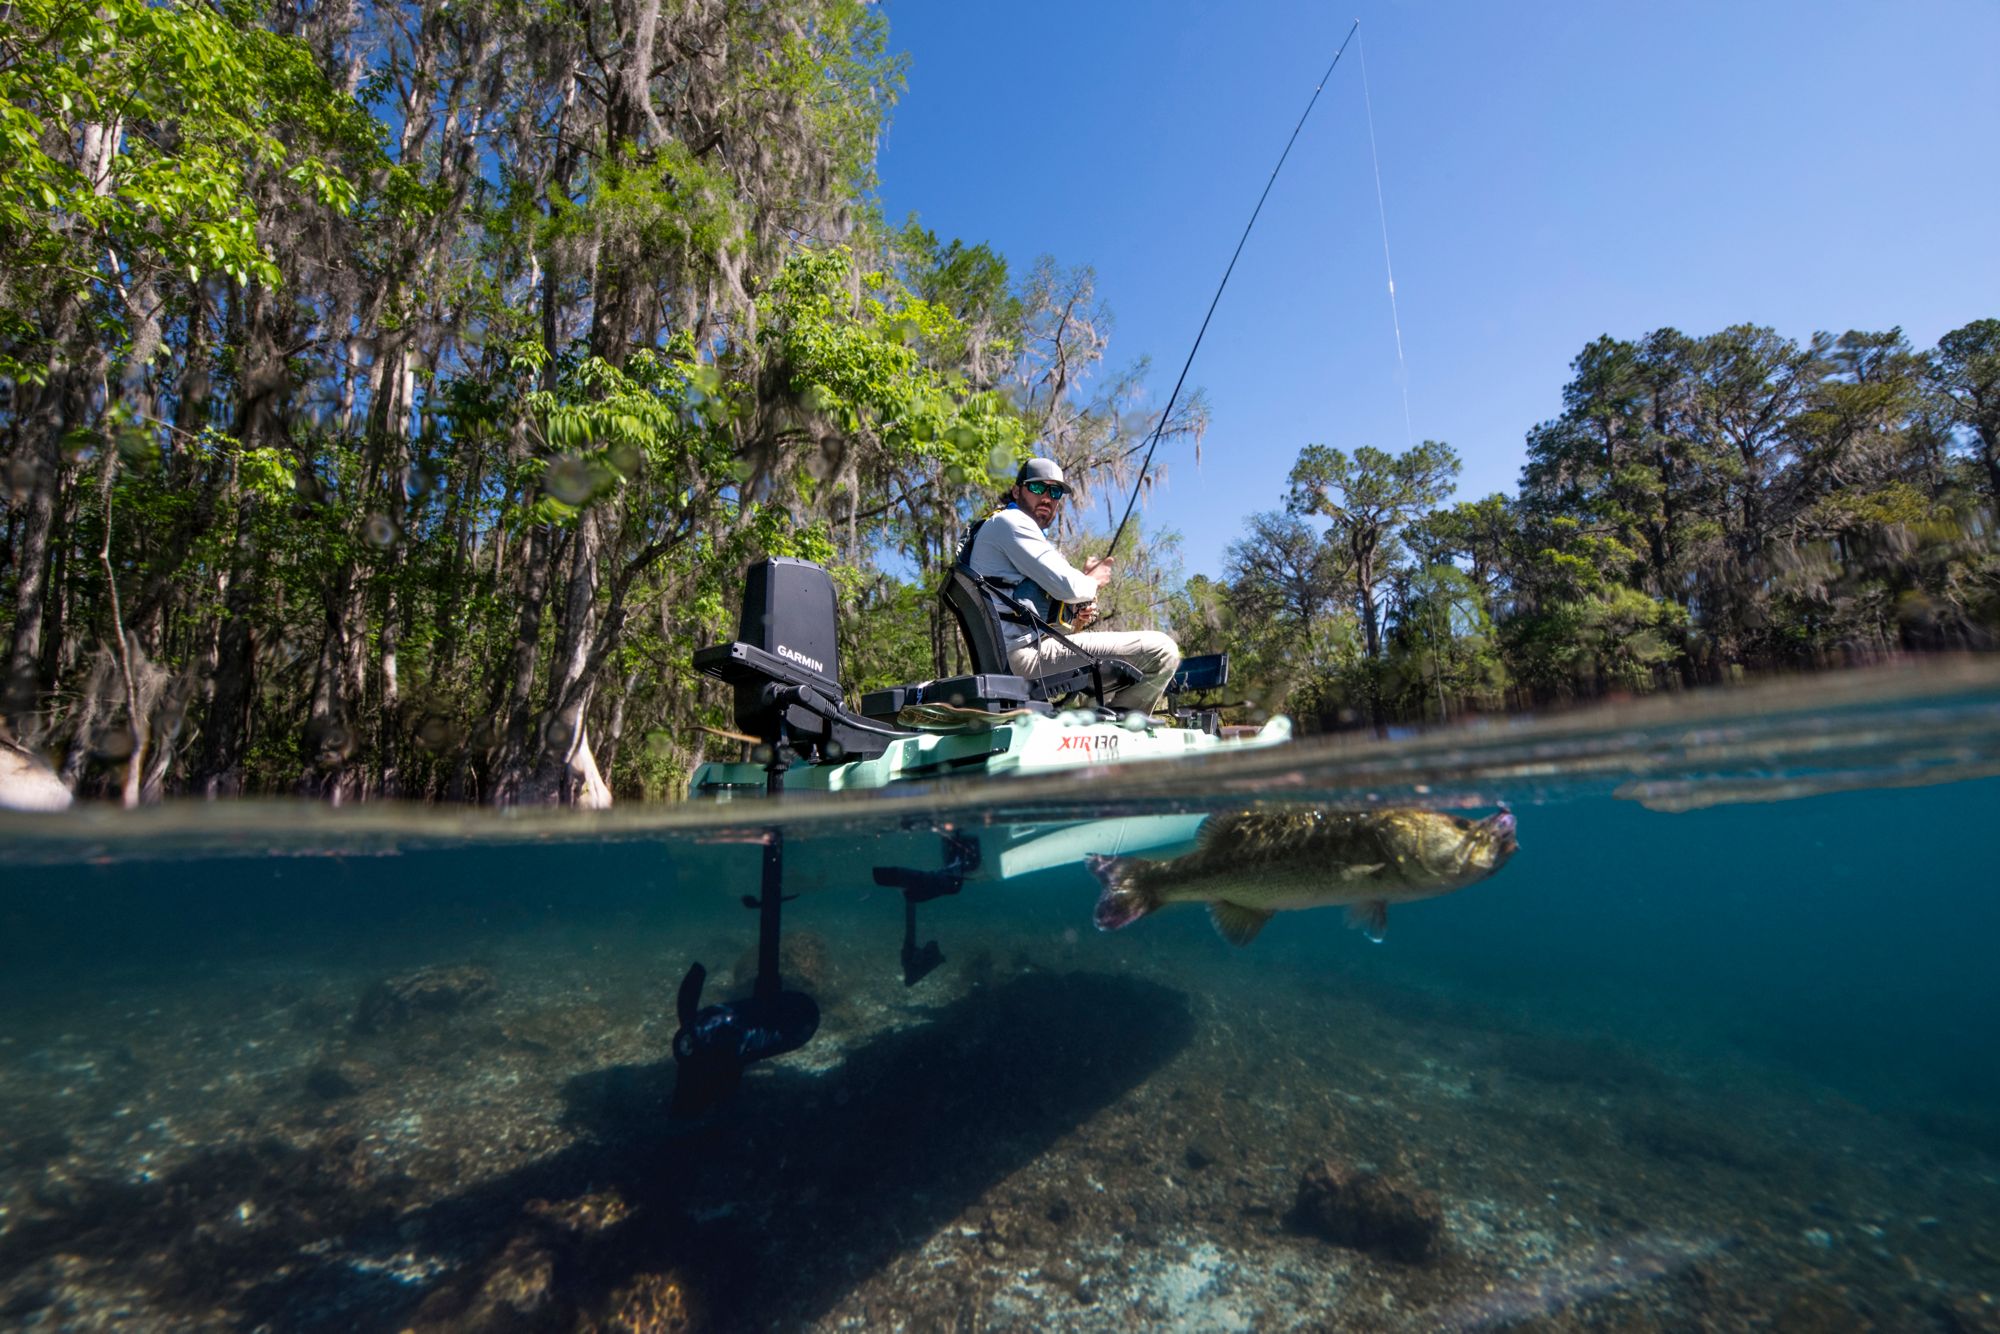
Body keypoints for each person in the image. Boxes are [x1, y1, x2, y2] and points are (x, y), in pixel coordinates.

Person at [962, 457, 1181, 712]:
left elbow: (1038, 603)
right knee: (1163, 651)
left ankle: (1096, 731)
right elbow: (1070, 586)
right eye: (1037, 488)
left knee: (1106, 679)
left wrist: (1075, 614)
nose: (1047, 497)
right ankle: (1125, 731)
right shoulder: (1011, 522)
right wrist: (1092, 580)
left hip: (1018, 655)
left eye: (1055, 492)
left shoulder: (1005, 529)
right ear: (1016, 490)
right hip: (1025, 658)